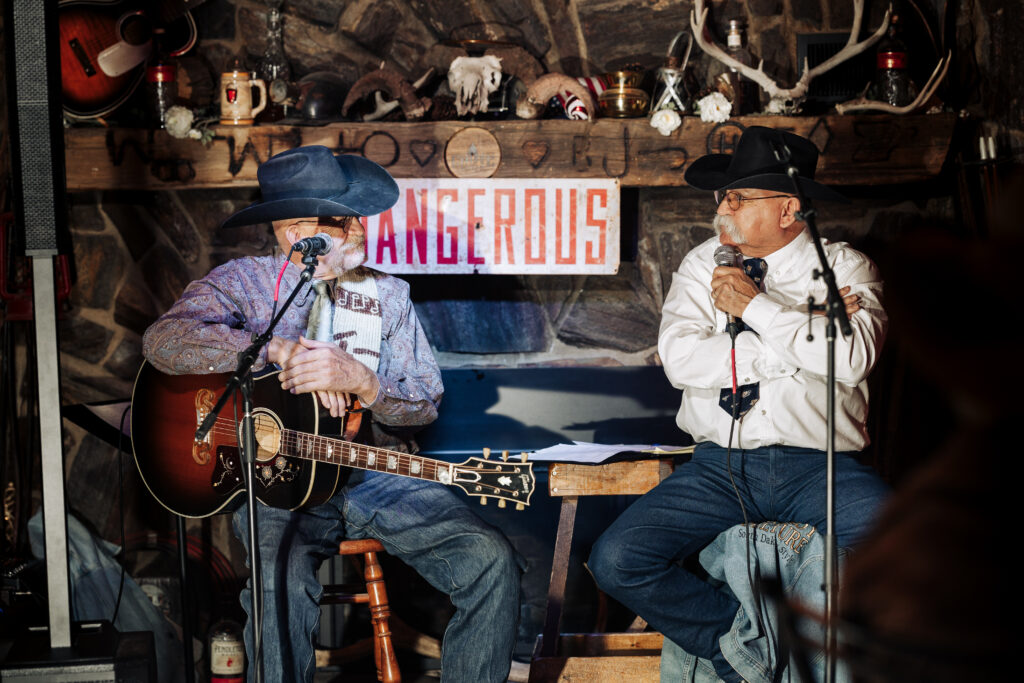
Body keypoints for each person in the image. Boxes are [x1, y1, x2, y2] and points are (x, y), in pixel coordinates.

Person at [142, 145, 521, 682]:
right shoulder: (246, 284)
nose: (349, 230)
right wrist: (276, 350)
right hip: (279, 481)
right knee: (279, 579)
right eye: (325, 221)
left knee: (491, 560)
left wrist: (365, 382)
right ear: (288, 231)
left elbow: (423, 404)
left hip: (373, 473)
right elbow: (164, 342)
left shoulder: (388, 295)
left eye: (348, 218)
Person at [587, 127, 890, 682]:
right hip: (720, 469)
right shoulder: (702, 265)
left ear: (788, 208)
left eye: (738, 197)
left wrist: (755, 309)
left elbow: (850, 360)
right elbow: (681, 362)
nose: (722, 208)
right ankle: (740, 652)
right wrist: (800, 340)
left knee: (904, 553)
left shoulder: (846, 268)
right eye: (724, 195)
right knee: (616, 559)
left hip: (819, 468)